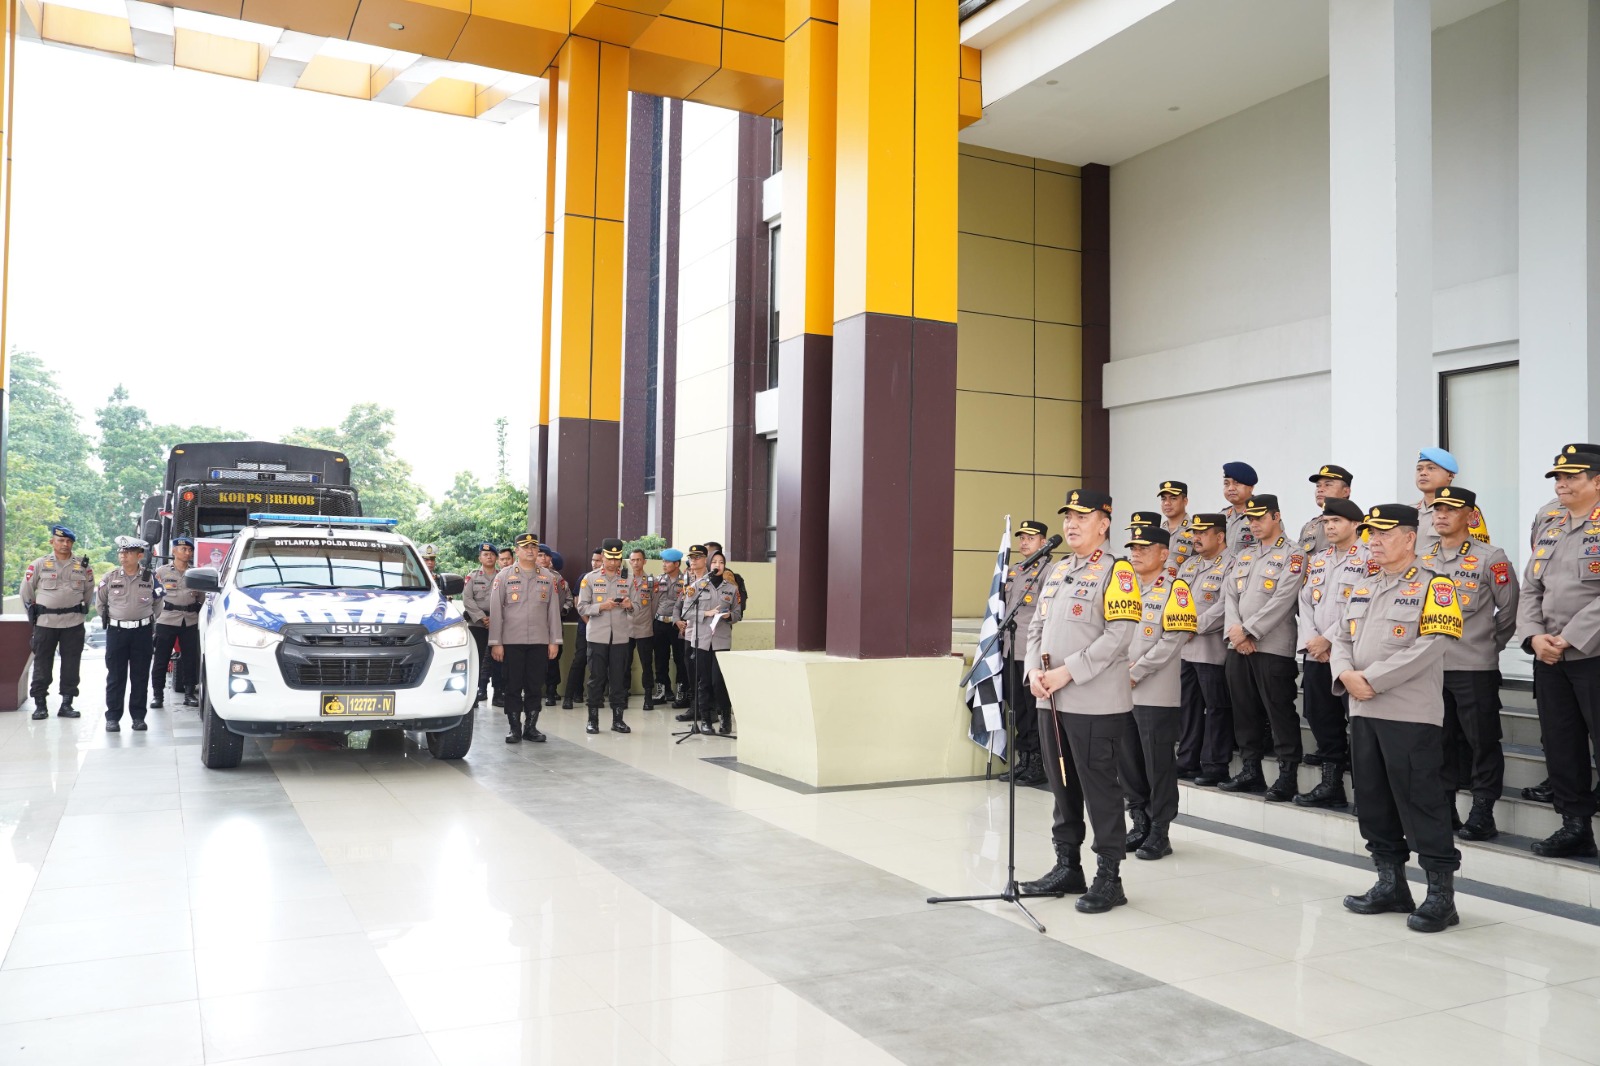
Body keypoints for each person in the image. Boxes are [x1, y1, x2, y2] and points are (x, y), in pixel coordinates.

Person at [1335, 504, 1464, 933]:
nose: (1373, 541)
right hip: (1364, 709)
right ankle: (1390, 884)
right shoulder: (1363, 584)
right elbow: (1340, 636)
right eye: (1370, 535)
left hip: (1409, 713)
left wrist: (1370, 678)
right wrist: (1344, 673)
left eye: (1383, 534)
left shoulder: (1436, 585)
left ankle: (1441, 897)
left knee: (1421, 801)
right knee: (1372, 800)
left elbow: (1433, 644)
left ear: (1409, 538)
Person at [1022, 489, 1140, 913]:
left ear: (1103, 523)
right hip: (1049, 699)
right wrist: (1033, 670)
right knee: (1062, 788)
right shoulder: (1056, 571)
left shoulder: (1117, 572)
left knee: (1100, 791)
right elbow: (1035, 626)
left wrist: (1065, 672)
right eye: (1067, 516)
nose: (1070, 523)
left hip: (1094, 703)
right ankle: (1067, 866)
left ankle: (1110, 876)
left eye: (1081, 516)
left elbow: (1118, 637)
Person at [1515, 451, 1600, 859]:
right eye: (1557, 478)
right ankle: (1575, 826)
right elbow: (1531, 589)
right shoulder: (1551, 528)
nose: (1560, 484)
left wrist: (1569, 637)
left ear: (1597, 481)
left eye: (1571, 477)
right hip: (1550, 657)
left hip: (1592, 654)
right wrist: (1533, 636)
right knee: (1562, 745)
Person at [1422, 487, 1518, 840]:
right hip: (1431, 667)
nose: (1441, 514)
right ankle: (1445, 808)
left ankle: (1482, 811)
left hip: (1474, 665)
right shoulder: (1423, 556)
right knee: (1439, 740)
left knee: (1482, 741)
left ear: (1470, 515)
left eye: (1450, 509)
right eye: (1437, 509)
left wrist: (1490, 646)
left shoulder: (1491, 557)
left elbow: (1508, 612)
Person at [1221, 494, 1306, 798]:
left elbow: (1283, 600)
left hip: (1272, 646)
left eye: (1259, 518)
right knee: (1243, 710)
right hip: (1238, 646)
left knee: (1279, 711)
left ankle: (1286, 775)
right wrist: (1235, 632)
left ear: (1276, 516)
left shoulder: (1294, 554)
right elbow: (1229, 593)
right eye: (1250, 519)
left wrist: (1248, 631)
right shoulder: (1245, 555)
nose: (1253, 524)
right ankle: (1250, 770)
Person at [1120, 525, 1196, 861]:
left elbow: (1172, 642)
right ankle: (1139, 822)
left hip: (1155, 695)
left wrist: (1134, 673)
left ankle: (1160, 831)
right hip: (1119, 693)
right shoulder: (1124, 589)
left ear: (1164, 553)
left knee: (1157, 766)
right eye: (1133, 547)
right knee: (1128, 763)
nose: (1135, 553)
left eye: (1144, 547)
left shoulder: (1176, 590)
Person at [1292, 498, 1368, 808]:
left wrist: (1328, 640)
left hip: (1349, 653)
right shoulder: (1320, 559)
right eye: (1326, 522)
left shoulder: (1368, 559)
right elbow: (1305, 601)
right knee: (1321, 717)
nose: (1330, 527)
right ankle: (1331, 784)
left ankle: (1366, 790)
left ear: (1355, 525)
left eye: (1336, 521)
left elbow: (1361, 606)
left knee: (1359, 722)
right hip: (1317, 653)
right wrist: (1312, 639)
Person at [1174, 514, 1235, 786]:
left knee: (1216, 707)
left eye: (1202, 533)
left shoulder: (1233, 564)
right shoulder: (1189, 565)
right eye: (1193, 533)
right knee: (1188, 706)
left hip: (1212, 650)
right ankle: (1187, 760)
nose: (1195, 538)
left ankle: (1214, 764)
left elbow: (1225, 607)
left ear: (1220, 536)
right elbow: (1176, 600)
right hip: (1184, 650)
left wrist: (1192, 627)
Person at [487, 532, 562, 744]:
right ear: (517, 550)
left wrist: (554, 640)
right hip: (511, 641)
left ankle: (531, 727)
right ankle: (514, 728)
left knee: (535, 685)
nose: (530, 551)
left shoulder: (548, 577)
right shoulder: (503, 576)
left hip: (539, 641)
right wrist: (496, 643)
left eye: (534, 547)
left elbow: (553, 611)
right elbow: (496, 611)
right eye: (525, 547)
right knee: (512, 685)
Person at [997, 521, 1053, 786]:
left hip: (1030, 651)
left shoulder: (1048, 570)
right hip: (1010, 649)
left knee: (1033, 709)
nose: (1024, 542)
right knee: (1017, 707)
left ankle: (1038, 764)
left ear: (1043, 542)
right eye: (1021, 538)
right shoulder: (1016, 571)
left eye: (1031, 538)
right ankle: (1024, 760)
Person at [20, 524, 92, 719]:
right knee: (42, 664)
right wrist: (33, 614)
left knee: (71, 665)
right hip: (46, 623)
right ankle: (40, 705)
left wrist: (79, 611)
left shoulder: (82, 566)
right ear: (52, 541)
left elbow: (88, 593)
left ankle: (67, 704)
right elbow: (26, 591)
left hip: (73, 623)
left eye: (69, 541)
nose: (65, 544)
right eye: (60, 540)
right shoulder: (40, 564)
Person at [99, 536, 163, 732]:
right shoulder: (110, 577)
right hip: (117, 632)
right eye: (121, 552)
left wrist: (146, 620)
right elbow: (100, 604)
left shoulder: (150, 578)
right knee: (115, 677)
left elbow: (158, 603)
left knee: (140, 676)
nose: (123, 556)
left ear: (139, 555)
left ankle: (138, 717)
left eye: (128, 552)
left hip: (142, 633)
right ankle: (113, 718)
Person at [680, 545, 742, 733]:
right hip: (702, 640)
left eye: (721, 562)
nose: (718, 565)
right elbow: (686, 612)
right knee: (703, 681)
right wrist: (707, 612)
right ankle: (705, 719)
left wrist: (728, 616)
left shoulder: (731, 589)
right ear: (709, 564)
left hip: (721, 641)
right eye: (714, 562)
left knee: (719, 682)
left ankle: (725, 718)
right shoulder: (696, 587)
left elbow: (738, 614)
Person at [576, 539, 634, 735]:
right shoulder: (590, 579)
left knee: (618, 680)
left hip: (620, 637)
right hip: (597, 637)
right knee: (596, 679)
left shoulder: (629, 579)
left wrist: (629, 605)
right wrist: (602, 606)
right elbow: (581, 607)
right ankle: (593, 720)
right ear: (603, 557)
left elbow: (638, 608)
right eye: (609, 558)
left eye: (617, 559)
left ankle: (618, 720)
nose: (613, 563)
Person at [150, 536, 203, 709]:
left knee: (190, 659)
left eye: (190, 550)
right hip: (167, 619)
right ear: (174, 551)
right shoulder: (162, 572)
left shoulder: (195, 573)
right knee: (161, 659)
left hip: (190, 620)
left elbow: (200, 597)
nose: (187, 553)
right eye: (183, 549)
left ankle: (189, 694)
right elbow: (154, 596)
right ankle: (158, 695)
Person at [460, 542, 500, 710]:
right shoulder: (473, 576)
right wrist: (483, 618)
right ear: (479, 558)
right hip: (476, 622)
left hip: (499, 622)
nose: (489, 557)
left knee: (499, 658)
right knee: (476, 659)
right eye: (485, 554)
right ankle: (474, 695)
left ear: (496, 557)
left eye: (491, 554)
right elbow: (467, 599)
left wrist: (495, 618)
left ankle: (498, 694)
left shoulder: (503, 575)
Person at [562, 548, 603, 709]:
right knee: (579, 660)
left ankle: (596, 697)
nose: (595, 563)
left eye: (598, 560)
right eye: (593, 560)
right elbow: (578, 604)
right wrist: (589, 623)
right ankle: (569, 696)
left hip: (603, 628)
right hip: (585, 626)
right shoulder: (585, 578)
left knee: (600, 663)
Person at [625, 549, 660, 710]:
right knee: (625, 663)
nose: (636, 563)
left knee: (647, 663)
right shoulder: (624, 580)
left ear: (644, 561)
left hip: (645, 628)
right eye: (633, 560)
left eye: (639, 559)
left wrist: (646, 619)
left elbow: (654, 606)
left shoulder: (651, 581)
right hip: (626, 628)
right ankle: (623, 694)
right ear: (629, 562)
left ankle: (648, 696)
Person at [653, 548, 687, 706]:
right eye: (664, 561)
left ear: (676, 563)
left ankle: (681, 690)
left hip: (677, 625)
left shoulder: (687, 581)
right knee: (660, 658)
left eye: (667, 562)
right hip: (660, 623)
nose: (664, 564)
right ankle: (662, 690)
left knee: (681, 659)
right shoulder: (658, 580)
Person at [539, 545, 571, 707]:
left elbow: (569, 599)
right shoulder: (526, 576)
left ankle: (552, 691)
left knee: (553, 659)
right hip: (534, 625)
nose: (543, 559)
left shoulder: (558, 578)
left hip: (554, 625)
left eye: (546, 556)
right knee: (534, 659)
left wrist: (562, 612)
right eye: (540, 555)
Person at [1299, 464, 1354, 554]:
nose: (1320, 489)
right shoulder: (1309, 527)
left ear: (1346, 491)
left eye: (1327, 485)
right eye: (1318, 486)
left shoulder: (1356, 525)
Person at [1221, 462, 1260, 552]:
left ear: (1251, 487)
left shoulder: (1264, 515)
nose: (1230, 488)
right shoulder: (1222, 516)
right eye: (1226, 484)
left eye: (1236, 483)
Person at [1157, 481, 1196, 569]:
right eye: (1163, 499)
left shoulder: (1196, 530)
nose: (1167, 503)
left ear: (1185, 501)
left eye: (1173, 498)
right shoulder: (1157, 532)